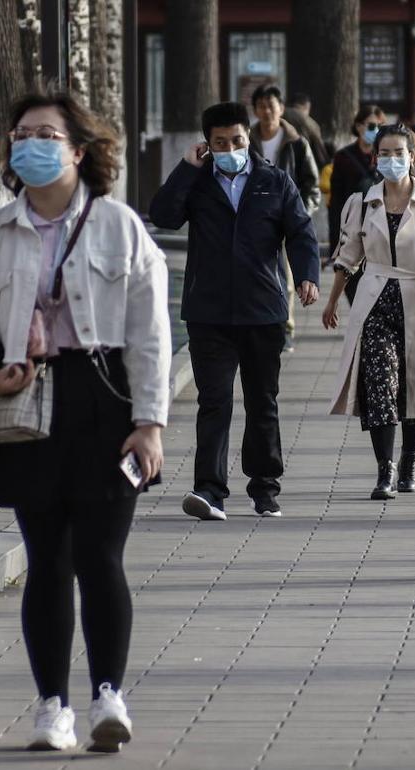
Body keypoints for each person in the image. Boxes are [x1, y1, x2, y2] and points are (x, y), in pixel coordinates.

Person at [0, 89, 170, 752]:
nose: (31, 144)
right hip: (27, 404)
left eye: (46, 133)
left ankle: (107, 696)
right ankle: (50, 707)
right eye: (21, 134)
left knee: (101, 555)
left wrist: (150, 422)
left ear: (78, 149)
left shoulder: (119, 225)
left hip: (107, 402)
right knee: (46, 560)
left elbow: (150, 332)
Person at [149, 101, 320, 523]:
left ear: (249, 138)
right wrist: (185, 170)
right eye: (220, 142)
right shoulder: (197, 181)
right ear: (207, 144)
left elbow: (300, 232)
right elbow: (164, 216)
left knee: (263, 402)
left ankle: (265, 489)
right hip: (209, 312)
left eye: (237, 140)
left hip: (263, 310)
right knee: (215, 402)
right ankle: (210, 490)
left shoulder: (273, 181)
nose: (230, 148)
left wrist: (306, 276)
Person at [322, 125, 415, 498]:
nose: (392, 159)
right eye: (385, 153)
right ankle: (386, 469)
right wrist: (332, 299)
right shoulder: (361, 203)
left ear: (412, 156)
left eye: (399, 153)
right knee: (381, 384)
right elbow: (348, 253)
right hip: (374, 299)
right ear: (375, 157)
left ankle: (410, 460)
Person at [250, 84, 321, 353]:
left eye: (272, 105)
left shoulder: (296, 143)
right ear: (255, 109)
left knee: (286, 278)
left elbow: (311, 185)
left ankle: (285, 327)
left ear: (281, 108)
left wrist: (299, 214)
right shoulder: (246, 140)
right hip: (254, 220)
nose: (267, 111)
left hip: (286, 220)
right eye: (262, 106)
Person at [328, 104, 387, 250]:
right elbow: (336, 199)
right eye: (372, 126)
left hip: (381, 224)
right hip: (352, 223)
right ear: (359, 126)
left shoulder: (387, 156)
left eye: (381, 126)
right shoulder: (343, 157)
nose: (377, 130)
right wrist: (337, 239)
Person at [287, 91, 331, 169]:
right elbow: (320, 152)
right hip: (300, 163)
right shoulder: (310, 123)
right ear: (306, 107)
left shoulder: (278, 114)